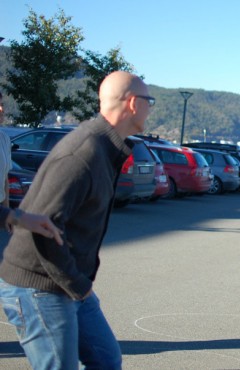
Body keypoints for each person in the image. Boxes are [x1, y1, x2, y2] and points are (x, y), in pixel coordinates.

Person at [0, 71, 155, 369]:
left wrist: (79, 284)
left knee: (106, 359)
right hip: (38, 285)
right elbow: (43, 229)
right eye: (149, 101)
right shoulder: (82, 152)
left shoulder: (104, 147)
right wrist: (78, 285)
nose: (151, 108)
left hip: (68, 280)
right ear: (134, 104)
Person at [0, 91, 63, 242]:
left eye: (1, 105)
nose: (1, 110)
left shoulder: (4, 139)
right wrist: (17, 217)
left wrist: (7, 212)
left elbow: (4, 180)